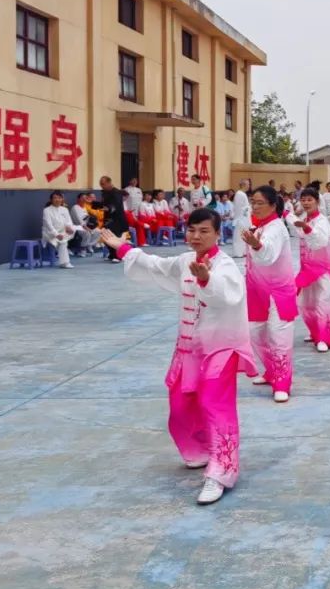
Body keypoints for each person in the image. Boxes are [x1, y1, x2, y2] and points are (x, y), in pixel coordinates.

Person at [99, 210, 257, 504]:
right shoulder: (185, 260)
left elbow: (227, 294)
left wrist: (207, 279)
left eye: (204, 231)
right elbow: (156, 265)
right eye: (192, 230)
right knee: (180, 405)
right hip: (190, 348)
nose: (196, 236)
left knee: (215, 405)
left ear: (217, 233)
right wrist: (122, 248)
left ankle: (222, 470)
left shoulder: (226, 267)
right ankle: (199, 451)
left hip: (221, 348)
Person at [240, 186, 298, 403]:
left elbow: (268, 255)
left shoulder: (276, 228)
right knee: (255, 332)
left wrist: (257, 246)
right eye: (252, 202)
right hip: (256, 289)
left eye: (259, 203)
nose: (254, 206)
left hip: (278, 291)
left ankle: (282, 381)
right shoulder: (258, 227)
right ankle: (272, 370)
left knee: (278, 335)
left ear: (273, 205)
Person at [290, 187, 330, 353]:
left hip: (324, 269)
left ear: (317, 201)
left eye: (310, 199)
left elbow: (321, 241)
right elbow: (298, 230)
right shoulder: (305, 218)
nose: (306, 202)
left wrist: (307, 228)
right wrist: (290, 216)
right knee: (305, 303)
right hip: (308, 268)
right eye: (303, 199)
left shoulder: (321, 220)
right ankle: (315, 331)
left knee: (323, 302)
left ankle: (325, 338)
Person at [42, 191, 77, 268]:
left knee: (69, 233)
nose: (57, 200)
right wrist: (56, 234)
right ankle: (65, 263)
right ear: (51, 200)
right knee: (63, 242)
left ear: (62, 199)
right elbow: (48, 225)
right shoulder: (47, 210)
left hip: (63, 232)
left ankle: (64, 262)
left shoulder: (65, 209)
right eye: (55, 198)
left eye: (59, 198)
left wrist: (69, 227)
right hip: (50, 233)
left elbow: (69, 221)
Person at [98, 176, 128, 263]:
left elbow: (116, 204)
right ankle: (111, 254)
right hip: (108, 217)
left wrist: (110, 208)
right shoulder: (104, 193)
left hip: (117, 218)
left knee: (116, 237)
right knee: (106, 236)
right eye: (100, 184)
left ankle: (118, 256)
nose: (101, 186)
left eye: (103, 184)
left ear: (109, 182)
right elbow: (104, 203)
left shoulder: (116, 192)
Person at [71, 192, 101, 256]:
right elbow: (78, 221)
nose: (84, 199)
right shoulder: (75, 207)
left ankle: (88, 245)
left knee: (98, 231)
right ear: (78, 199)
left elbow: (86, 218)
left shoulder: (84, 207)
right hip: (77, 226)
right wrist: (87, 228)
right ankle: (82, 250)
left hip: (87, 226)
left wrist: (91, 226)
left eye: (85, 198)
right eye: (82, 198)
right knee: (87, 233)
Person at [232, 180, 252, 259]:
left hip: (244, 218)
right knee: (239, 236)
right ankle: (238, 252)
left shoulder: (242, 194)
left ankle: (243, 251)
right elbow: (240, 208)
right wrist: (249, 208)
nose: (249, 186)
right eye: (248, 184)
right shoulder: (240, 194)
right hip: (241, 219)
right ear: (243, 185)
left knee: (244, 235)